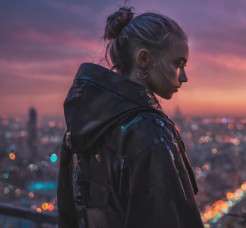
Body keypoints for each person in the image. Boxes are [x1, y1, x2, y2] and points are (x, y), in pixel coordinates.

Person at [57, 7, 204, 228]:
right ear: (144, 59)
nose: (183, 77)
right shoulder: (151, 132)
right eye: (178, 63)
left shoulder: (81, 126)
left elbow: (68, 213)